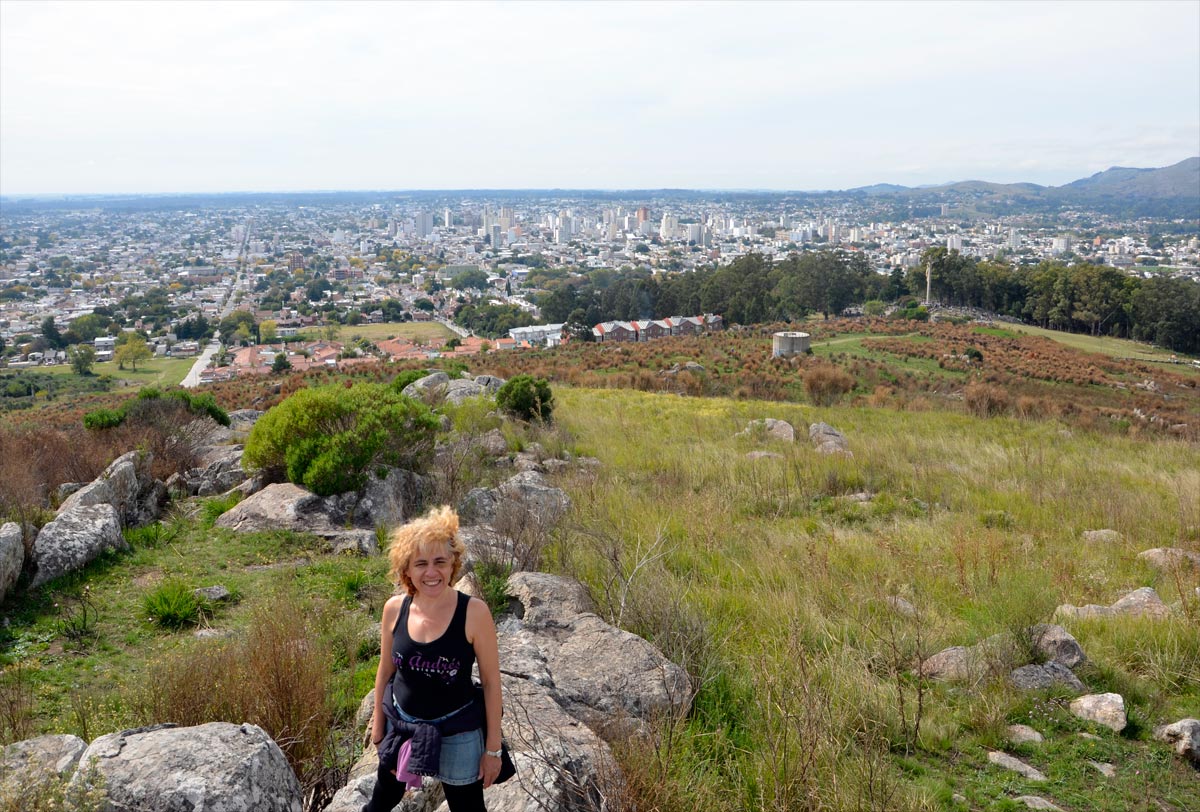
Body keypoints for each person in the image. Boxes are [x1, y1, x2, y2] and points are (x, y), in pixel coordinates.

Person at [362, 506, 503, 812]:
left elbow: (491, 683)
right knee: (380, 802)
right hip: (403, 724)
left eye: (440, 562)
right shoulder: (393, 609)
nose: (431, 572)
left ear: (453, 564)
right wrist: (378, 724)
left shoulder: (474, 613)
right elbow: (386, 669)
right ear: (407, 570)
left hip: (457, 729)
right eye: (420, 563)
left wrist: (492, 750)